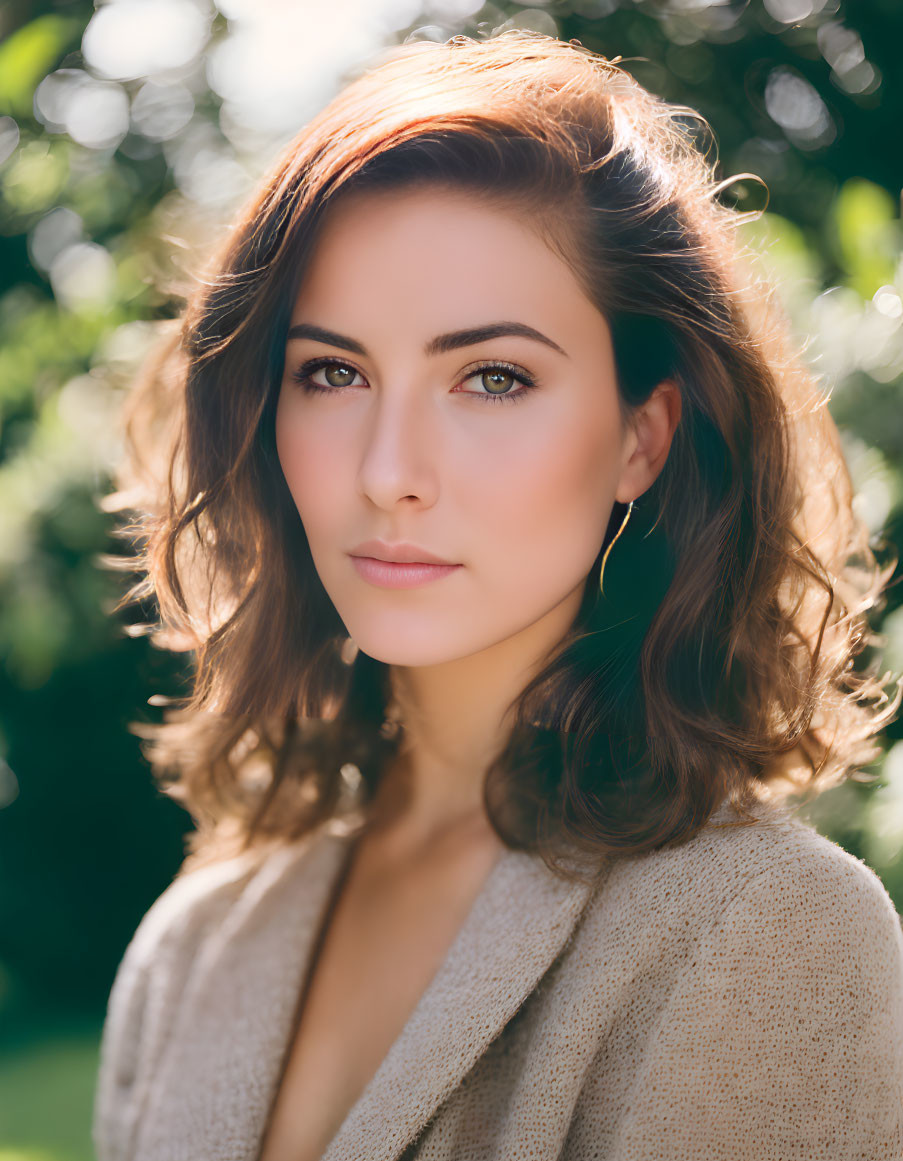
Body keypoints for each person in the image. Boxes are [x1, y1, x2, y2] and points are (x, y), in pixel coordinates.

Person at [92, 29, 903, 1161]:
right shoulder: (193, 947)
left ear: (641, 438)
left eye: (492, 378)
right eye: (333, 372)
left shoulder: (769, 934)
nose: (388, 471)